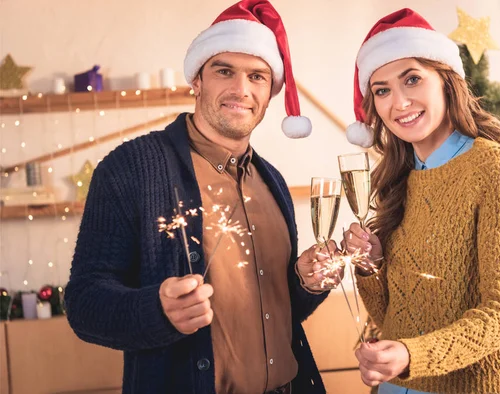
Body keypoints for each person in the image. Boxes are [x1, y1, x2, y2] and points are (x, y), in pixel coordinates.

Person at [64, 1, 337, 393]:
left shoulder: (271, 180)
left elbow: (278, 314)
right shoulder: (131, 168)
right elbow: (84, 302)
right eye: (224, 71)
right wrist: (156, 312)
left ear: (270, 91)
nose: (241, 90)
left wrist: (305, 283)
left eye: (257, 76)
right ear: (197, 80)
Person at [341, 8, 500, 394]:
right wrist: (371, 268)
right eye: (382, 90)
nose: (399, 102)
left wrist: (409, 355)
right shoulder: (397, 178)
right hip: (399, 387)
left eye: (412, 80)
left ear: (446, 81)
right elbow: (393, 319)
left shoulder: (493, 166)